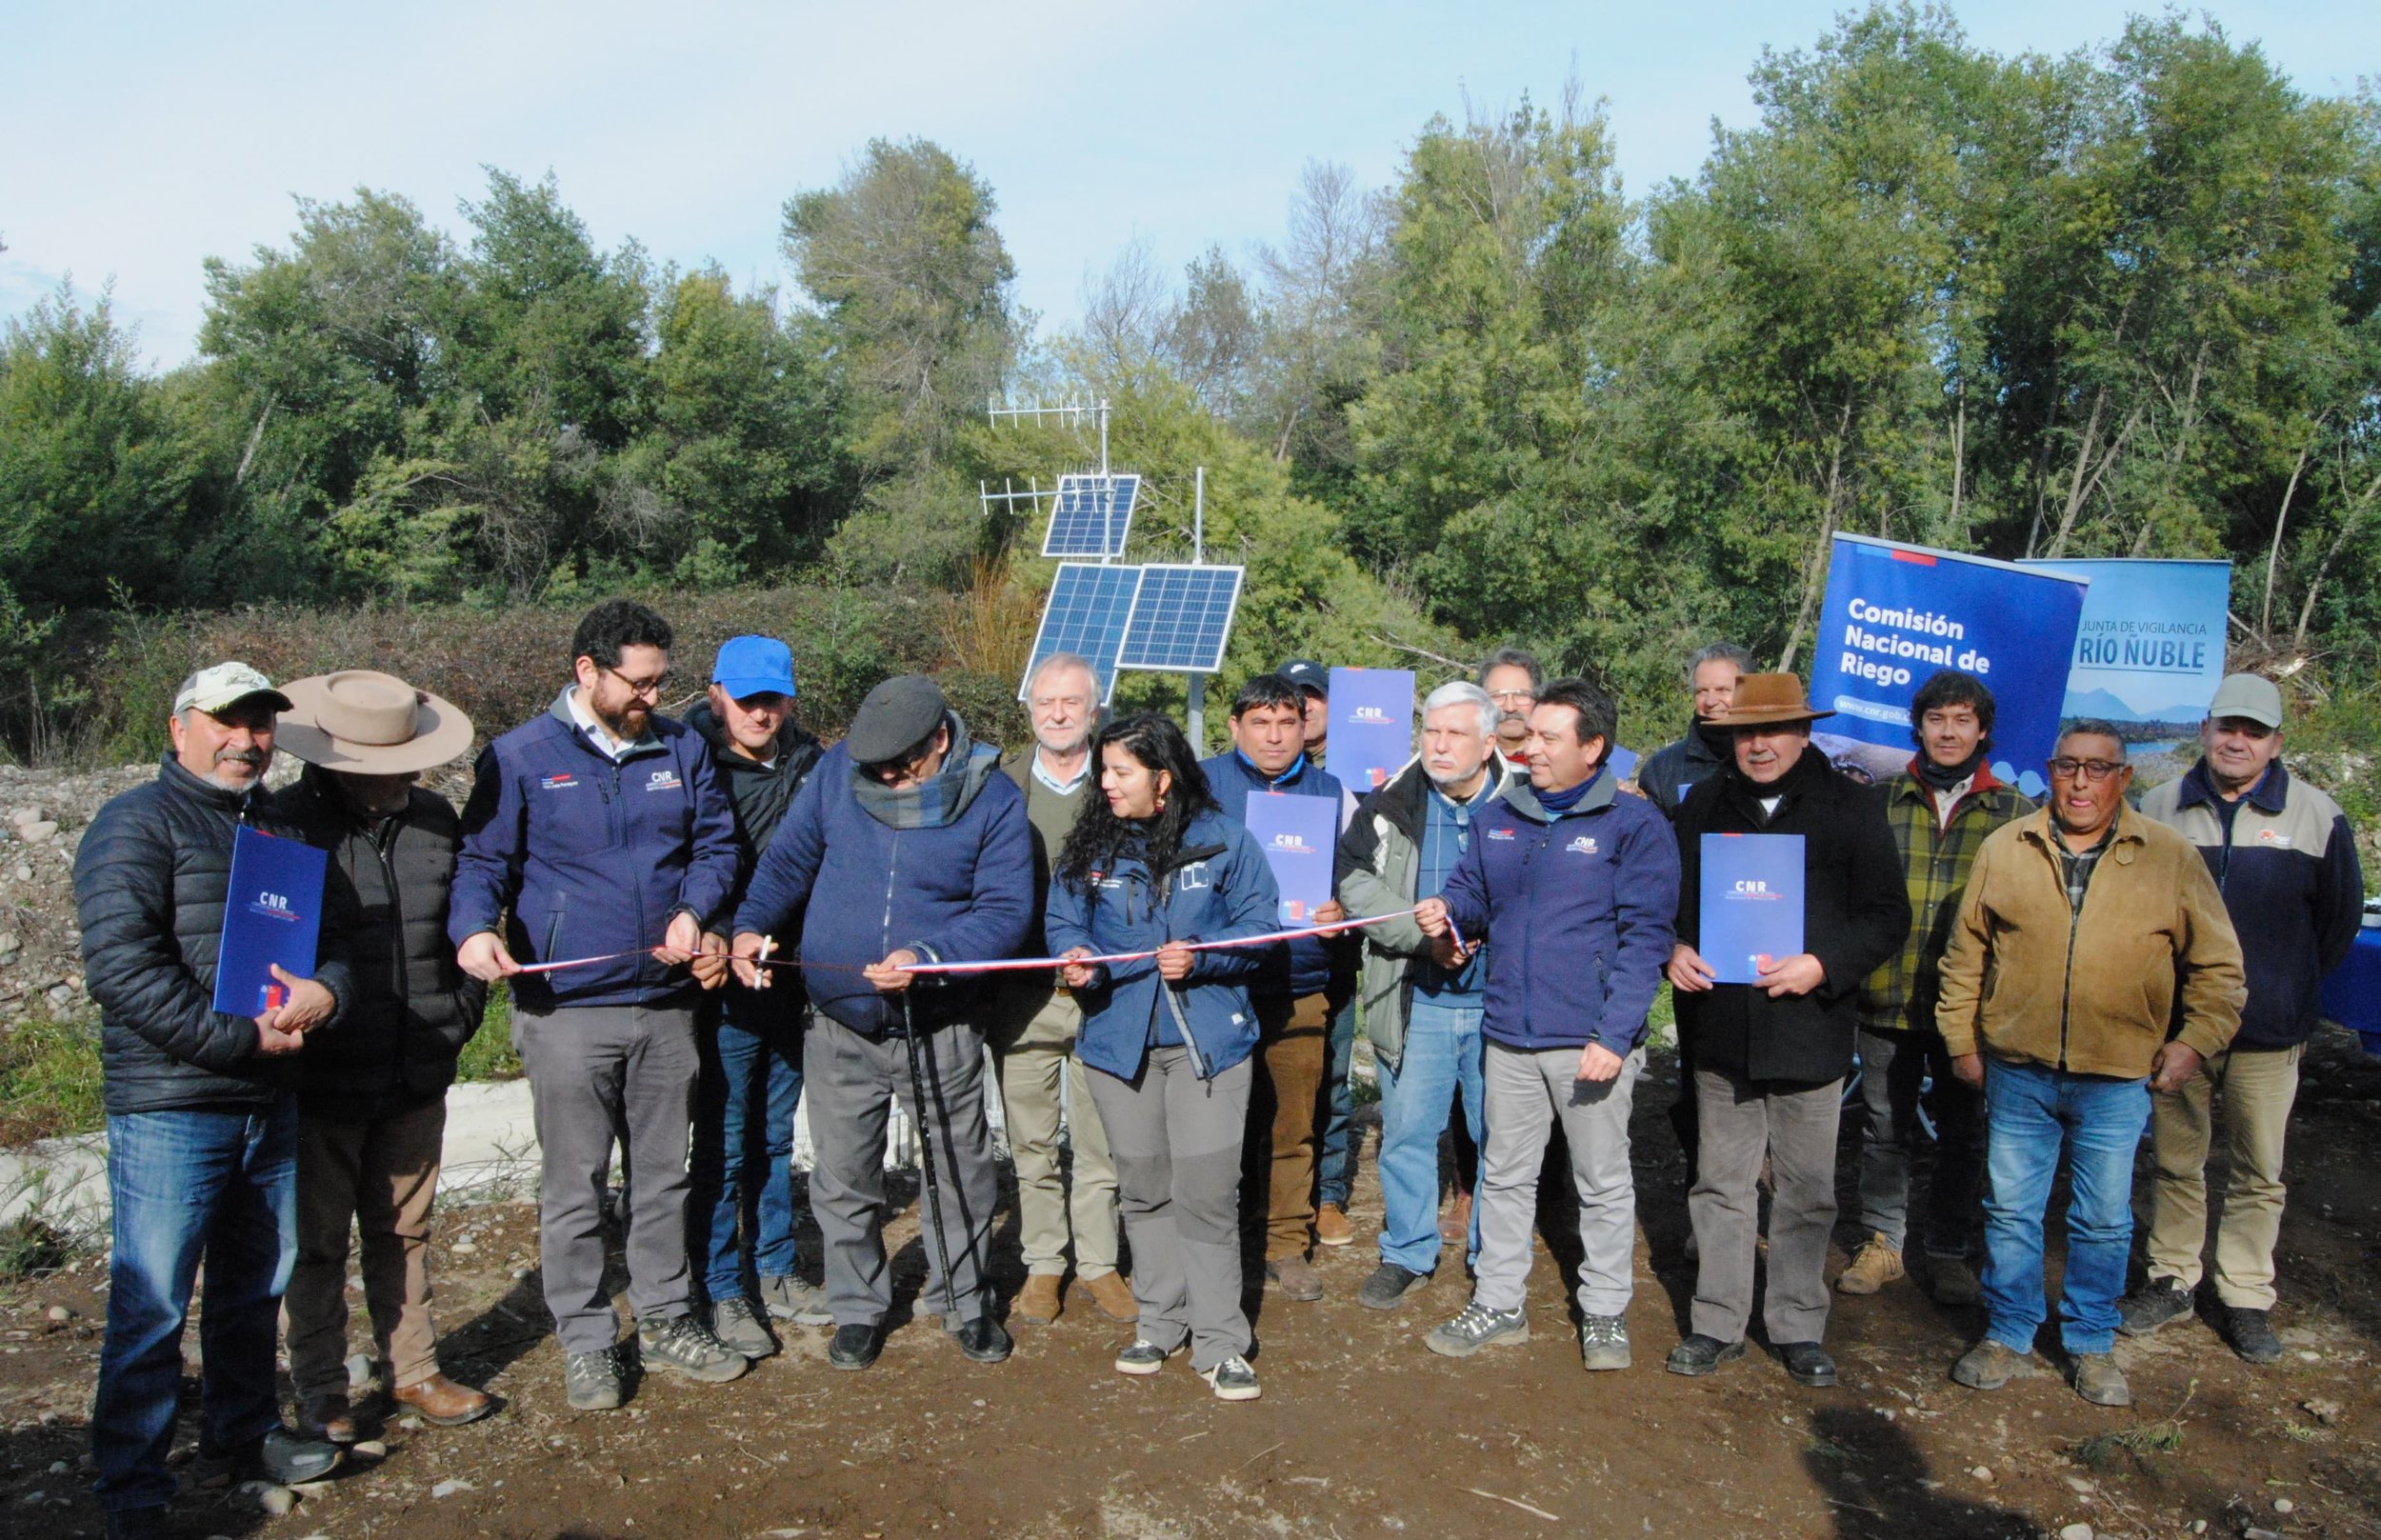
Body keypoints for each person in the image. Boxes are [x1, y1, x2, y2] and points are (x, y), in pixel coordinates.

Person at [75, 663, 351, 1537]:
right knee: (153, 1300)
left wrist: (327, 994)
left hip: (267, 1099)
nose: (247, 741)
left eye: (261, 725)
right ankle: (134, 1489)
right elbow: (121, 970)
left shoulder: (276, 827)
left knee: (251, 1286)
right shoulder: (133, 824)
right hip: (174, 1104)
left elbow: (333, 942)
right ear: (179, 726)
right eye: (228, 723)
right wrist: (241, 1039)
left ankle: (242, 1433)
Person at [450, 600, 748, 1410]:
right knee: (575, 1184)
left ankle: (664, 1316)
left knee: (663, 1178)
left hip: (666, 1005)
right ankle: (585, 1339)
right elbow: (481, 861)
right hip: (566, 1010)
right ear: (588, 670)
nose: (655, 694)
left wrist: (696, 910)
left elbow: (716, 845)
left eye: (661, 679)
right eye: (640, 680)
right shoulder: (518, 756)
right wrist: (474, 931)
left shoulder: (682, 746)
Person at [1938, 722, 2246, 1409]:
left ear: (2123, 778)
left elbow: (2220, 967)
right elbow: (1966, 954)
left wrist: (2193, 1040)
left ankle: (2090, 1340)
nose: (2081, 781)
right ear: (2051, 770)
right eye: (2068, 766)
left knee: (2103, 1218)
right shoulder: (2007, 847)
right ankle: (2009, 1329)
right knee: (2012, 1209)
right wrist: (1961, 1039)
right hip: (2018, 1068)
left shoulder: (2168, 857)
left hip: (2116, 1074)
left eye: (2098, 768)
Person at [730, 675, 1032, 1370]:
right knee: (843, 1177)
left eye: (901, 765)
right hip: (840, 1026)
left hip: (940, 1024)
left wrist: (930, 957)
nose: (887, 777)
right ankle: (859, 1308)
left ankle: (963, 1301)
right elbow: (791, 859)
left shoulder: (992, 796)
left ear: (941, 740)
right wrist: (751, 925)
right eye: (876, 767)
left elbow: (1005, 911)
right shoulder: (839, 774)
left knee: (958, 1173)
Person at [1414, 678, 1681, 1370]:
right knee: (1503, 1176)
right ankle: (1500, 1302)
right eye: (1529, 734)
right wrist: (1447, 913)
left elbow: (1645, 937)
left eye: (1547, 737)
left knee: (1602, 1180)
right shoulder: (1503, 814)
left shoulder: (1634, 825)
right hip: (1507, 1032)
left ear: (1594, 747)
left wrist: (1614, 1035)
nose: (1528, 747)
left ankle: (1604, 1311)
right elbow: (1474, 891)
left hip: (1589, 1041)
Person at [1665, 674, 1910, 1390]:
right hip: (1722, 1032)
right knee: (1720, 1186)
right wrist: (1673, 949)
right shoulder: (1702, 805)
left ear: (1804, 733)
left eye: (1773, 731)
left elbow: (1886, 917)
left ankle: (1799, 1323)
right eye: (1745, 732)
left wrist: (1823, 965)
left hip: (1811, 1031)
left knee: (1808, 1191)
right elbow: (1670, 906)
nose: (1759, 745)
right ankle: (1716, 1322)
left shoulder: (1852, 808)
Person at [275, 670, 495, 1442]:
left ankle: (414, 1369)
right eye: (381, 767)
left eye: (408, 761)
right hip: (321, 1076)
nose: (400, 778)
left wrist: (461, 1012)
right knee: (316, 1244)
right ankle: (322, 1390)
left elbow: (468, 918)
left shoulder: (437, 818)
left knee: (405, 1229)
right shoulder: (283, 828)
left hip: (417, 1064)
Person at [2121, 675, 2362, 1363]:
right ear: (2205, 729)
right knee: (2176, 1161)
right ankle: (2171, 1279)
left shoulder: (2317, 815)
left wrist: (2285, 987)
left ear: (2276, 743)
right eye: (2227, 725)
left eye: (2254, 731)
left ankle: (2246, 1294)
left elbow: (2337, 923)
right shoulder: (2160, 807)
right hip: (2178, 1029)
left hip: (2270, 1031)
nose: (2237, 739)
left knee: (2260, 1169)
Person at [1049, 713, 1282, 1401]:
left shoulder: (1227, 841)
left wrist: (1204, 957)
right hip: (1119, 1046)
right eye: (1104, 771)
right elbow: (1063, 919)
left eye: (1121, 771)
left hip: (1207, 1045)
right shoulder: (1089, 848)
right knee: (1144, 1189)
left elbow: (1263, 929)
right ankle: (1160, 1320)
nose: (1107, 783)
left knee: (1206, 1194)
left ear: (1163, 777)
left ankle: (1220, 1340)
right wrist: (1076, 957)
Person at [1838, 670, 2031, 1308]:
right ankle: (1882, 1241)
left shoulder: (2013, 813)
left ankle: (1948, 1248)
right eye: (1937, 719)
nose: (1949, 732)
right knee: (1884, 1128)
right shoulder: (1879, 800)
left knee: (1964, 1131)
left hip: (1972, 1009)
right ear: (1917, 726)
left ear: (1983, 730)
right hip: (1886, 993)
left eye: (1962, 720)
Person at [1336, 682, 1521, 1309]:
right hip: (1417, 997)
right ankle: (1408, 1250)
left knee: (1497, 1135)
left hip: (1501, 1002)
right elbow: (1355, 883)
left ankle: (1492, 1258)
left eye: (1455, 734)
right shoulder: (1390, 805)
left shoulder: (1527, 804)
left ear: (1489, 742)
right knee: (1409, 1132)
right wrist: (1420, 935)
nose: (1439, 746)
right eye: (1431, 732)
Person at [684, 635, 827, 1359]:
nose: (760, 713)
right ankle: (720, 1282)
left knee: (775, 1135)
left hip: (793, 978)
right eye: (745, 699)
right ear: (716, 695)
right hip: (725, 985)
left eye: (772, 698)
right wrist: (716, 933)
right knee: (726, 1141)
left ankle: (774, 1265)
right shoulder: (689, 763)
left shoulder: (817, 764)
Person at [990, 652, 1133, 1327]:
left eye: (1070, 702)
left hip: (1106, 994)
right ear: (1030, 709)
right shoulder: (998, 784)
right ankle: (1045, 1263)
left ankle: (1100, 1262)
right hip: (1024, 999)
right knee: (1033, 1143)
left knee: (1101, 1143)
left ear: (1094, 711)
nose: (1056, 713)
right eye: (1045, 702)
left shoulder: (1123, 780)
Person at [1202, 674, 1356, 1300]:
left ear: (1305, 727)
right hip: (1216, 986)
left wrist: (1340, 907)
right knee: (1212, 1127)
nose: (1274, 735)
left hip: (1297, 981)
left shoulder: (1331, 792)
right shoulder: (1201, 785)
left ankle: (1286, 1243)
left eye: (1287, 722)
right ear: (1235, 725)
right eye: (1260, 722)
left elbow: (1358, 877)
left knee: (1292, 1123)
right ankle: (1217, 1242)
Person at [1637, 643, 1751, 818]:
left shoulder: (1772, 759)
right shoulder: (1662, 770)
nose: (1711, 701)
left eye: (1723, 690)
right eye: (1702, 691)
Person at [1478, 647, 1543, 766]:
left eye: (1521, 695)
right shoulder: (1468, 762)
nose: (1510, 707)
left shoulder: (1556, 762)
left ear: (1538, 700)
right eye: (1498, 696)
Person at [1280, 658, 1332, 767]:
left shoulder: (1354, 765)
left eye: (1313, 695)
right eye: (1293, 698)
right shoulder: (1256, 769)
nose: (1306, 707)